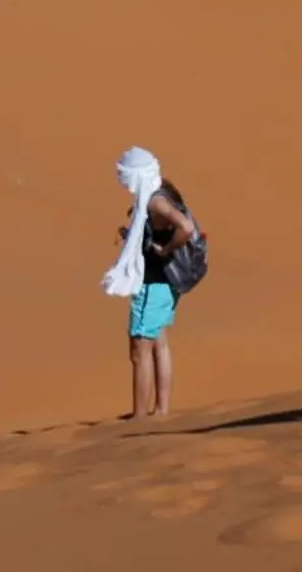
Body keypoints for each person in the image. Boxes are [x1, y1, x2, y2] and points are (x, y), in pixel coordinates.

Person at [102, 146, 203, 419]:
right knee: (158, 343)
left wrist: (166, 249)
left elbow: (186, 228)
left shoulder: (155, 201)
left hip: (156, 282)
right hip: (165, 282)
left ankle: (139, 417)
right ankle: (160, 411)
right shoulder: (160, 189)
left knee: (139, 349)